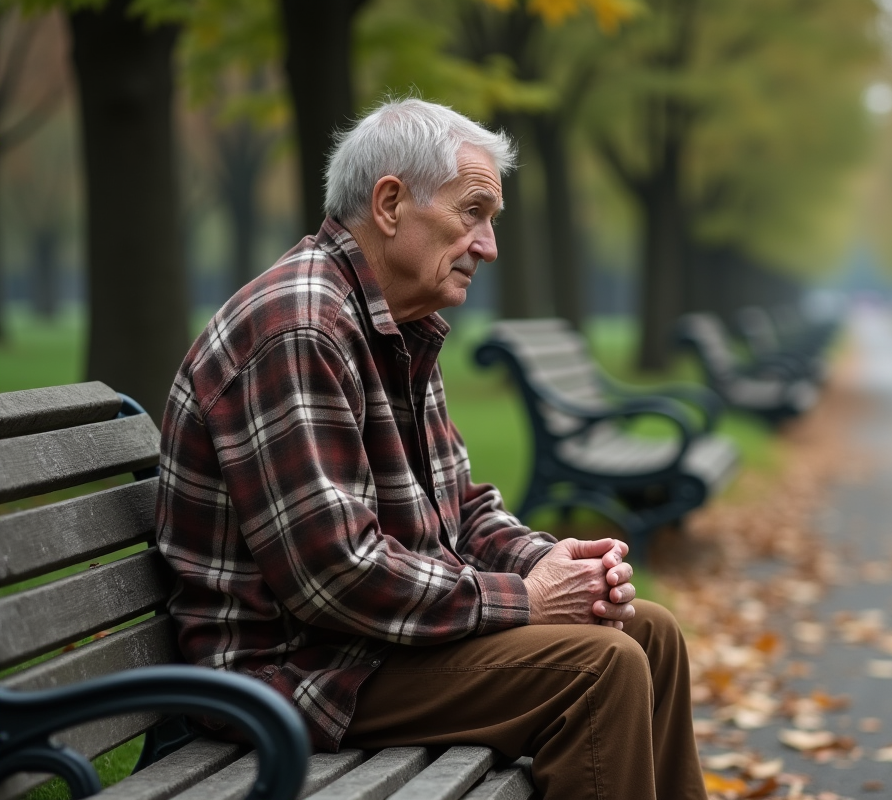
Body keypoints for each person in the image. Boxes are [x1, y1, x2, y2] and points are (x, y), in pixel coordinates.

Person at [155, 98, 707, 800]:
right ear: (390, 203)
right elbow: (337, 575)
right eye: (471, 213)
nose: (488, 245)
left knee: (648, 631)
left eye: (492, 222)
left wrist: (552, 563)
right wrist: (526, 602)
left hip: (364, 647)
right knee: (596, 668)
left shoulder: (397, 324)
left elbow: (460, 509)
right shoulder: (299, 328)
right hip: (292, 674)